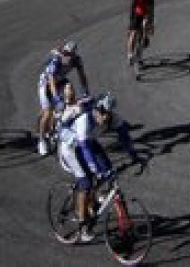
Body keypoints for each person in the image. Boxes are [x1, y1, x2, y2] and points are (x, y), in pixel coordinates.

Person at [56, 91, 144, 242]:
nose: (104, 118)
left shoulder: (113, 118)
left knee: (110, 173)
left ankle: (97, 203)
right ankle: (83, 226)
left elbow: (124, 137)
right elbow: (85, 149)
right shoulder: (84, 120)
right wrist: (95, 169)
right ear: (95, 110)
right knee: (86, 182)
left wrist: (134, 156)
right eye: (102, 113)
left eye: (107, 114)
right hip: (70, 148)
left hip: (89, 142)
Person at [38, 41, 90, 156]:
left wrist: (86, 91)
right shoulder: (56, 60)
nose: (67, 57)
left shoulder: (76, 60)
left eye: (70, 55)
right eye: (65, 54)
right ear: (62, 52)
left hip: (61, 81)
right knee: (48, 112)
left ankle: (63, 122)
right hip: (47, 84)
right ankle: (41, 140)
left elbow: (82, 75)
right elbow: (51, 81)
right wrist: (56, 98)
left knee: (70, 94)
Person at [126, 0, 155, 66]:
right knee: (133, 33)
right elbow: (132, 14)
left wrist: (151, 25)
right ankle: (130, 54)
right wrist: (131, 28)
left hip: (145, 15)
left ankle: (140, 56)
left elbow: (151, 12)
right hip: (136, 16)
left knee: (142, 38)